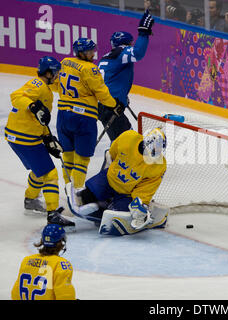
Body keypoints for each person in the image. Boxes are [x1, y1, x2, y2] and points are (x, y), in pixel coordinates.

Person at [4, 56, 75, 230]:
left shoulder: (44, 88)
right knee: (50, 174)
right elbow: (16, 96)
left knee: (40, 170)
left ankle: (30, 199)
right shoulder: (39, 85)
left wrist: (48, 138)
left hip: (18, 135)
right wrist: (33, 106)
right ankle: (52, 214)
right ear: (49, 72)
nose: (58, 75)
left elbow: (38, 120)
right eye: (56, 72)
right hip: (25, 138)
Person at [65, 128, 168, 235]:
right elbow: (112, 153)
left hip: (126, 194)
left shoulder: (159, 165)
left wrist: (140, 202)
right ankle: (103, 202)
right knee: (85, 196)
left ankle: (104, 205)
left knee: (115, 214)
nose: (151, 156)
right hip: (109, 179)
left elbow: (147, 187)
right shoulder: (129, 138)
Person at [56, 38, 124, 190]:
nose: (93, 53)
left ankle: (68, 189)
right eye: (90, 51)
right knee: (82, 158)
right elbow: (101, 92)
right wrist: (114, 105)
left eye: (93, 49)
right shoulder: (90, 69)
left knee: (67, 156)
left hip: (63, 116)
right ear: (81, 52)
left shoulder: (65, 62)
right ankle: (77, 192)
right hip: (83, 118)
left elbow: (56, 83)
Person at [98, 10, 154, 142]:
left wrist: (121, 96)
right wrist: (143, 33)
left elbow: (109, 81)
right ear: (127, 43)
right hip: (111, 107)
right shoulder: (121, 52)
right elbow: (138, 53)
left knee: (121, 143)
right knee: (128, 145)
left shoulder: (105, 58)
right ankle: (109, 160)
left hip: (103, 105)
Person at [11, 224, 76, 300]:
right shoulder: (61, 265)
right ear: (61, 243)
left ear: (42, 241)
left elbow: (15, 294)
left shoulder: (27, 260)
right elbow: (65, 296)